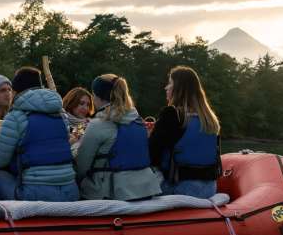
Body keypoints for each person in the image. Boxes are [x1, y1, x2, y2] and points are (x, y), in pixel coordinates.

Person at [0, 66, 79, 201]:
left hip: (36, 194)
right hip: (70, 192)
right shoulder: (61, 115)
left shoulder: (16, 116)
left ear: (15, 91)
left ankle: (8, 214)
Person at [75, 74, 162, 200]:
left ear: (98, 96)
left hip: (112, 193)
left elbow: (81, 167)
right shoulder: (138, 122)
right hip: (146, 189)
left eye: (93, 94)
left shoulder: (97, 125)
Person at [149, 65, 221, 198]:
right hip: (209, 189)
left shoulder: (171, 114)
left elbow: (151, 155)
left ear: (178, 89)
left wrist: (149, 135)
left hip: (181, 188)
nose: (166, 88)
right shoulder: (210, 119)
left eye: (170, 83)